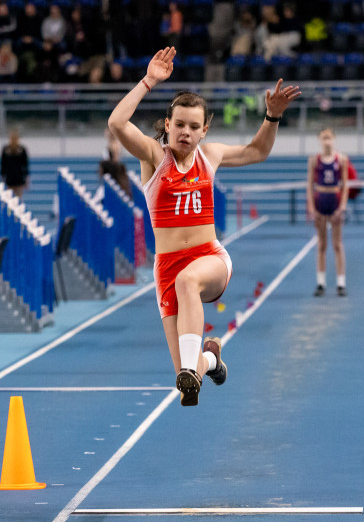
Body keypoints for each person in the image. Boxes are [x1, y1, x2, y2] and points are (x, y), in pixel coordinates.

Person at [108, 46, 300, 406]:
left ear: (204, 131)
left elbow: (257, 152)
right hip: (166, 269)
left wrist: (271, 118)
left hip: (209, 258)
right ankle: (210, 360)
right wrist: (148, 81)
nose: (185, 132)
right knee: (186, 375)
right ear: (167, 125)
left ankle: (200, 362)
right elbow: (117, 124)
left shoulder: (210, 156)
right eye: (179, 124)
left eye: (194, 127)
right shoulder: (154, 157)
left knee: (189, 280)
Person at [307, 127, 349, 297]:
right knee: (322, 244)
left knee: (337, 244)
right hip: (320, 200)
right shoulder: (314, 160)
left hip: (334, 200)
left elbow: (345, 184)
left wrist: (343, 206)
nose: (327, 141)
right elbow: (310, 184)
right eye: (324, 138)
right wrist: (311, 207)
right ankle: (321, 282)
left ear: (334, 139)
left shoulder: (341, 159)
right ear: (319, 140)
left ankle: (341, 283)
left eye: (329, 137)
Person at [99, 129, 132, 199]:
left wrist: (113, 171)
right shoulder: (110, 144)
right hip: (107, 169)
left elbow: (116, 160)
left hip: (112, 170)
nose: (105, 133)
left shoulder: (115, 144)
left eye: (107, 132)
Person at [0, 129, 29, 199]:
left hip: (19, 179)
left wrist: (26, 180)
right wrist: (2, 178)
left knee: (18, 199)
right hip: (9, 179)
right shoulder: (6, 150)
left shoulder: (22, 149)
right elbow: (2, 165)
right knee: (9, 199)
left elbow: (25, 165)